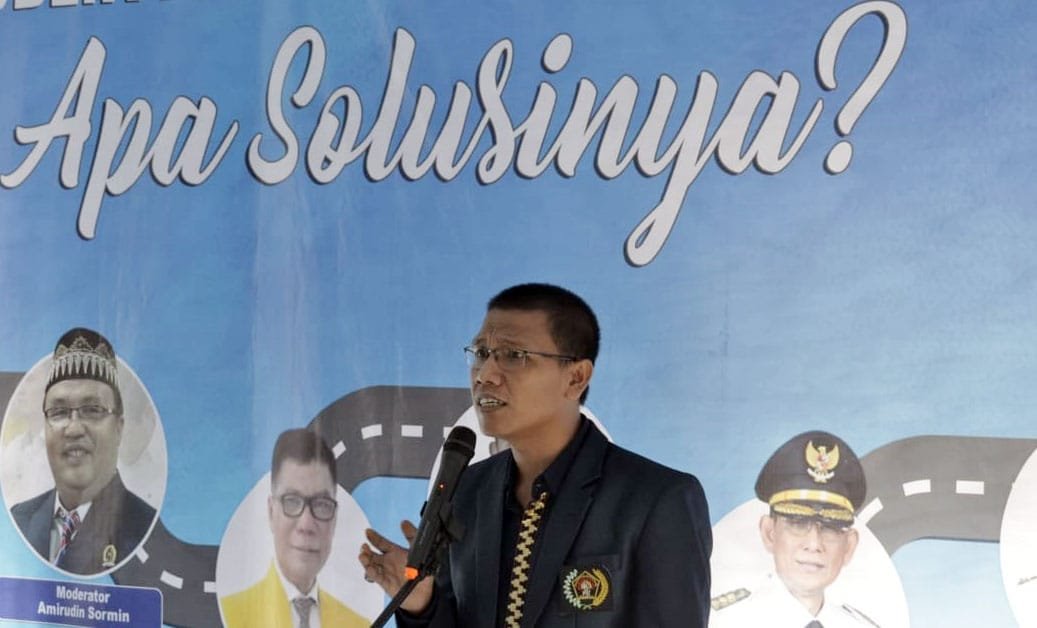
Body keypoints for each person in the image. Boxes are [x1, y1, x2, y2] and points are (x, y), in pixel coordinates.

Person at [359, 283, 713, 627]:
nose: (485, 375)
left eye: (514, 356)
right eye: (480, 354)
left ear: (576, 378)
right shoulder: (467, 491)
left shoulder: (656, 499)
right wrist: (422, 604)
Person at [9, 327, 156, 575]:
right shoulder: (20, 520)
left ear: (119, 427)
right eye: (59, 412)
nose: (74, 428)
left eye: (93, 410)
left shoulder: (145, 529)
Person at [710, 430, 879, 627]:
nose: (814, 544)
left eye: (830, 527)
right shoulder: (721, 622)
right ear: (769, 533)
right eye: (798, 523)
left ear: (849, 546)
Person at [220, 428, 367, 627]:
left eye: (321, 504)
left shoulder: (359, 624)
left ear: (334, 519)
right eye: (292, 501)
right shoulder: (230, 614)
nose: (306, 524)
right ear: (271, 511)